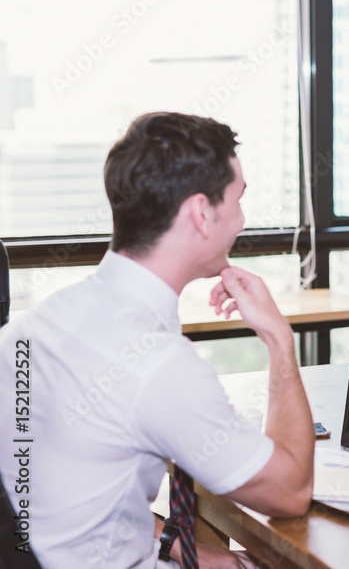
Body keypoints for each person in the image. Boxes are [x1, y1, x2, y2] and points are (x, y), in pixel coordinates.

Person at [0, 113, 314, 567]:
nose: (243, 220)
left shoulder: (37, 325)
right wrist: (279, 339)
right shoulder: (158, 365)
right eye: (238, 200)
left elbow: (76, 501)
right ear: (202, 214)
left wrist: (194, 551)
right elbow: (292, 491)